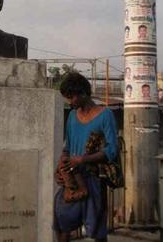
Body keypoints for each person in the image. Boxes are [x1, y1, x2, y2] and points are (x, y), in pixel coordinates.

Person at [54, 73, 118, 242]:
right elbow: (67, 147)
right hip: (74, 180)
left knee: (97, 228)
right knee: (62, 222)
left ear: (83, 93)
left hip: (95, 179)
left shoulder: (105, 115)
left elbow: (112, 150)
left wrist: (83, 160)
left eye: (71, 97)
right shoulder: (72, 117)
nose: (70, 101)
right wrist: (61, 166)